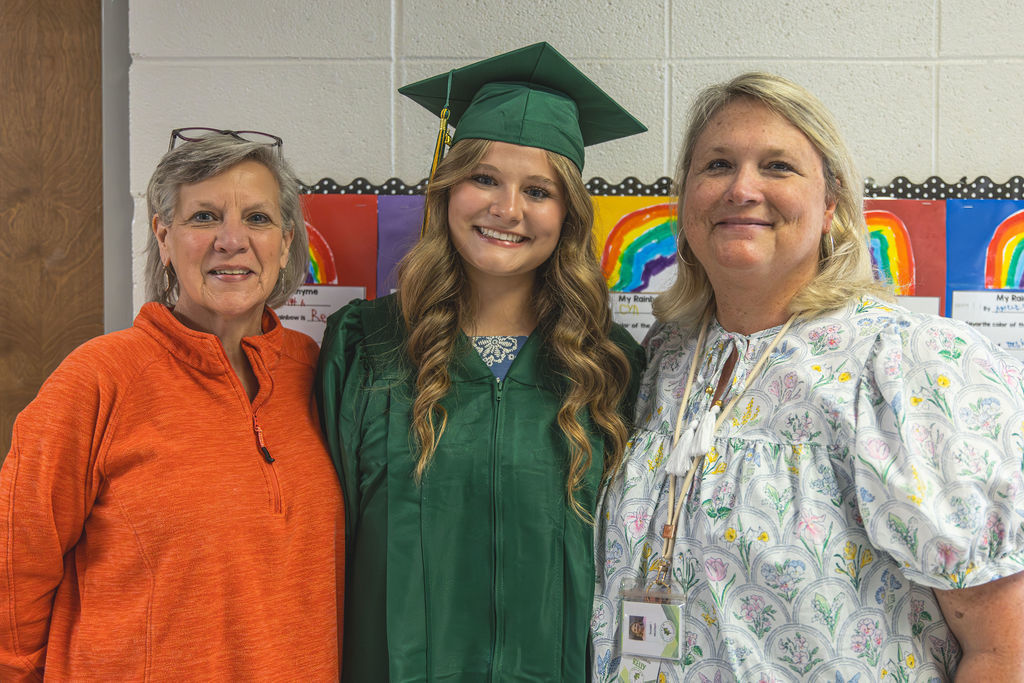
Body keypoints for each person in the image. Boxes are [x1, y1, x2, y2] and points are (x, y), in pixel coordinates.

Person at [593, 73, 1024, 682]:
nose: (742, 188)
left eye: (778, 167)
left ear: (831, 203)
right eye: (717, 164)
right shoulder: (668, 357)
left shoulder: (908, 365)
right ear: (684, 199)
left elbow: (1004, 651)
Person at [317, 43, 647, 681]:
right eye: (484, 179)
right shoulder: (365, 345)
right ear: (447, 188)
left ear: (568, 214)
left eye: (539, 190)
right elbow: (317, 543)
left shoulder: (609, 366)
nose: (508, 209)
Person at [0, 129, 345, 680]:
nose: (232, 240)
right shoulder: (97, 380)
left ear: (285, 244)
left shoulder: (320, 373)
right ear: (164, 238)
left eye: (257, 219)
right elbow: (12, 578)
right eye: (204, 217)